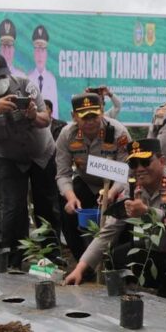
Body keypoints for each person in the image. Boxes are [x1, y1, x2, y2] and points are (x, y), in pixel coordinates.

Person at [65, 139, 166, 300]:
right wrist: (80, 268)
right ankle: (137, 297)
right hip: (157, 247)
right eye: (133, 164)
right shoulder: (131, 187)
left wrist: (146, 212)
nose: (140, 169)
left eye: (146, 162)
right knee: (116, 257)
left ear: (162, 161)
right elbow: (108, 231)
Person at [0, 52, 61, 269]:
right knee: (12, 208)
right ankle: (13, 259)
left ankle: (52, 257)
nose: (0, 82)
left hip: (41, 154)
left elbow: (46, 120)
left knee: (46, 206)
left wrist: (32, 116)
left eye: (2, 76)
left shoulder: (26, 86)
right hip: (8, 157)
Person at [55, 92, 130, 264]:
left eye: (94, 116)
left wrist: (112, 193)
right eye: (84, 117)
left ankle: (116, 264)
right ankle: (83, 263)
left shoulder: (118, 133)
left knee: (123, 212)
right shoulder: (67, 135)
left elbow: (125, 171)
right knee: (67, 210)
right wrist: (70, 197)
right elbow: (63, 173)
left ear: (102, 111)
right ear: (74, 116)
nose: (90, 122)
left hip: (115, 184)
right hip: (87, 182)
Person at [28, 25, 59, 117]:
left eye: (42, 50)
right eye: (37, 50)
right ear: (33, 53)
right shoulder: (27, 79)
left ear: (46, 53)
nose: (40, 55)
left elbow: (55, 112)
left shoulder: (52, 79)